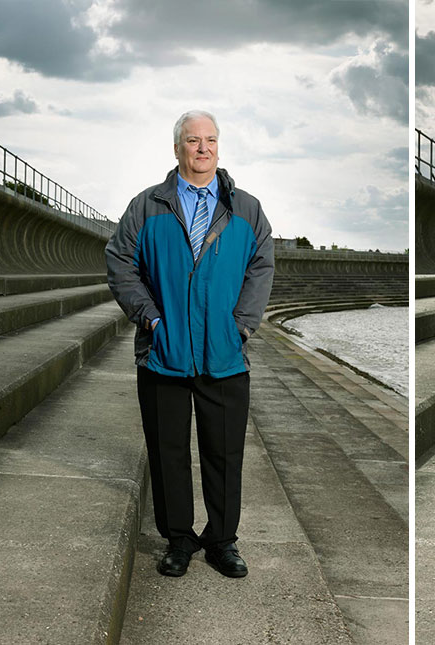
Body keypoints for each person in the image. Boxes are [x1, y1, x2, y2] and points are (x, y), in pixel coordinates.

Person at [105, 110, 274, 578]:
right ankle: (178, 539)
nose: (203, 148)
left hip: (224, 355)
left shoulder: (246, 208)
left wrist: (241, 326)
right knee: (168, 452)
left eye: (211, 140)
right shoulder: (147, 206)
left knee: (224, 453)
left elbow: (261, 268)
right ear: (177, 148)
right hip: (164, 355)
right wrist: (151, 319)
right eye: (193, 141)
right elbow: (120, 262)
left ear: (219, 147)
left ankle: (222, 541)